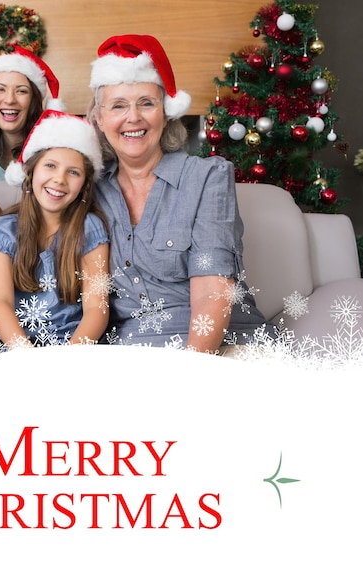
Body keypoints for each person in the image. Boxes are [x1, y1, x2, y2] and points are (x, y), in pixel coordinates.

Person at [87, 34, 273, 353]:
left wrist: (188, 377)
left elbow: (211, 294)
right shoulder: (89, 187)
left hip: (219, 347)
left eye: (147, 103)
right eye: (118, 105)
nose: (133, 117)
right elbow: (36, 212)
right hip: (132, 350)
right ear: (99, 119)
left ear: (166, 112)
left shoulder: (206, 178)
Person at [0, 109, 109, 348]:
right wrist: (27, 356)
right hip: (19, 348)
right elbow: (0, 304)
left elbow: (96, 307)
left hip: (77, 347)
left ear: (84, 185)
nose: (59, 179)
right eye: (50, 166)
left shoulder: (90, 229)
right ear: (31, 172)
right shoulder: (3, 232)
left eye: (73, 172)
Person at [0, 45, 64, 181]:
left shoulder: (53, 150)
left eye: (21, 91)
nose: (10, 100)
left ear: (33, 101)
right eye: (0, 89)